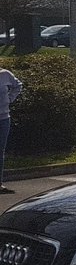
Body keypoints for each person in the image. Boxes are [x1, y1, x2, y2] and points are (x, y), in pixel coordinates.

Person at [0, 66, 23, 195]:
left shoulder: (5, 74)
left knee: (0, 151)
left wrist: (10, 98)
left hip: (3, 118)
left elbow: (18, 85)